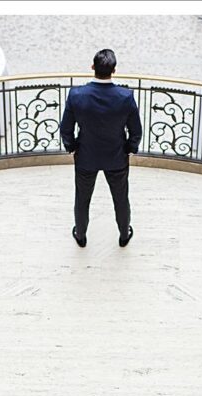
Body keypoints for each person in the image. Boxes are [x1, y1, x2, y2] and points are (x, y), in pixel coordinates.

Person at [59, 49, 143, 248]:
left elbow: (66, 129)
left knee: (82, 199)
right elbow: (136, 131)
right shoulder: (125, 96)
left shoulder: (76, 95)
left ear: (92, 67)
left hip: (86, 156)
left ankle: (81, 235)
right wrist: (129, 149)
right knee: (121, 199)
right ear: (114, 70)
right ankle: (124, 234)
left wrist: (72, 147)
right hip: (116, 157)